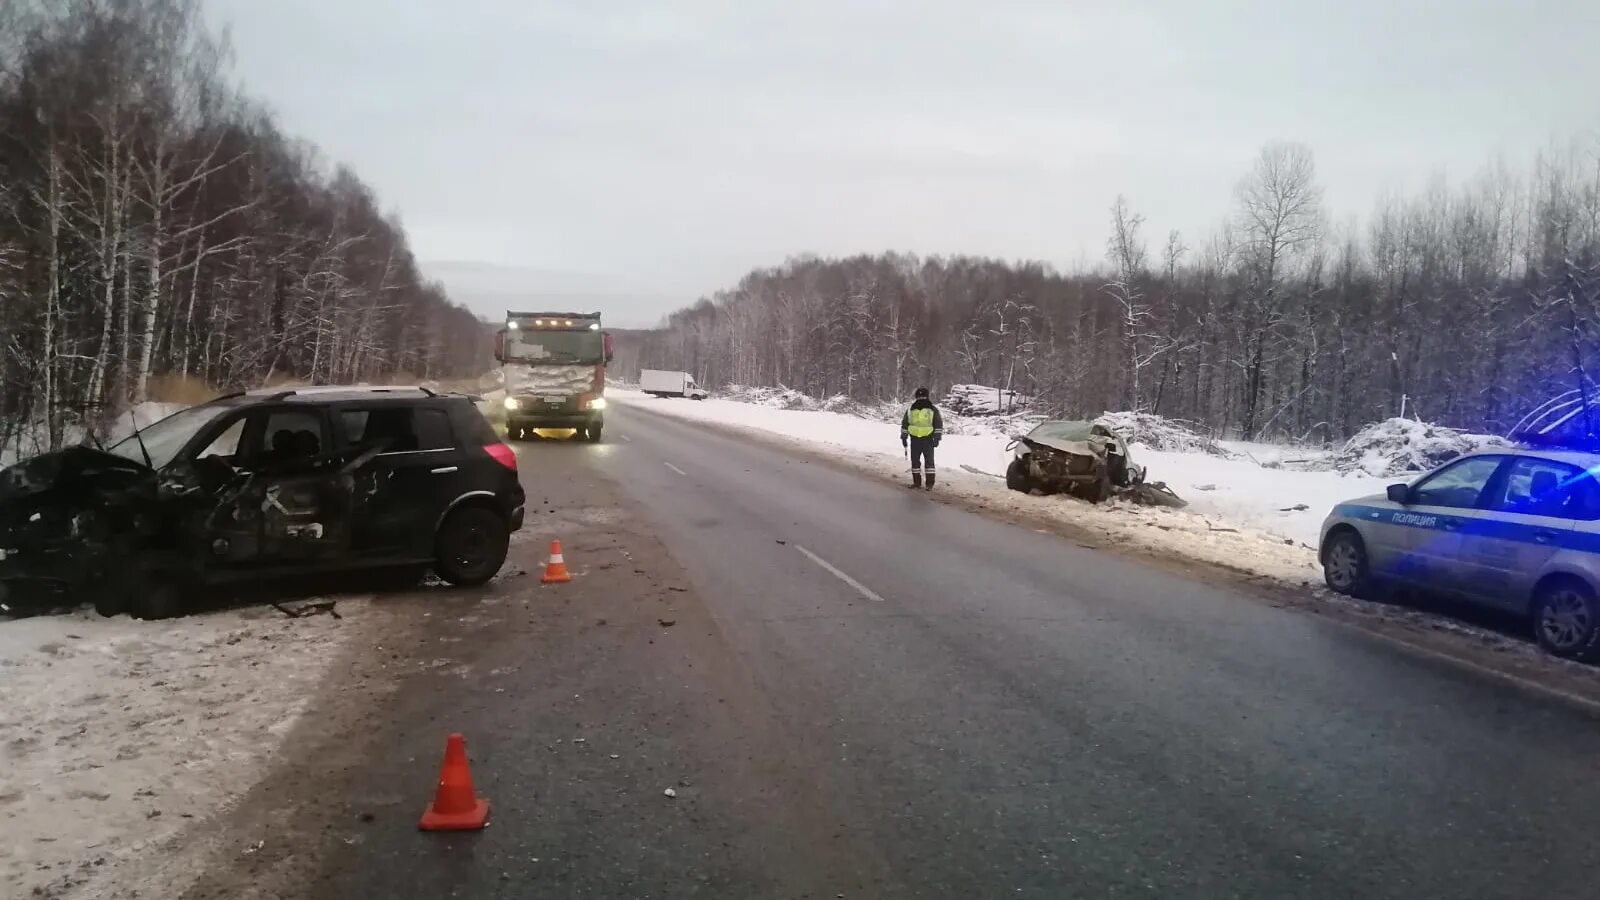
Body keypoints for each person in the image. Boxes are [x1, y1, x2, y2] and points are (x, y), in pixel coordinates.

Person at [900, 387, 944, 490]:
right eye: (920, 396)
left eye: (922, 396)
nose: (921, 398)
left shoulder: (932, 410)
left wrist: (937, 438)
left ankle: (928, 484)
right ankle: (919, 483)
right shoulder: (911, 410)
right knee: (917, 462)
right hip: (917, 439)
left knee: (926, 462)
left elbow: (938, 424)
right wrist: (904, 436)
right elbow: (905, 424)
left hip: (927, 439)